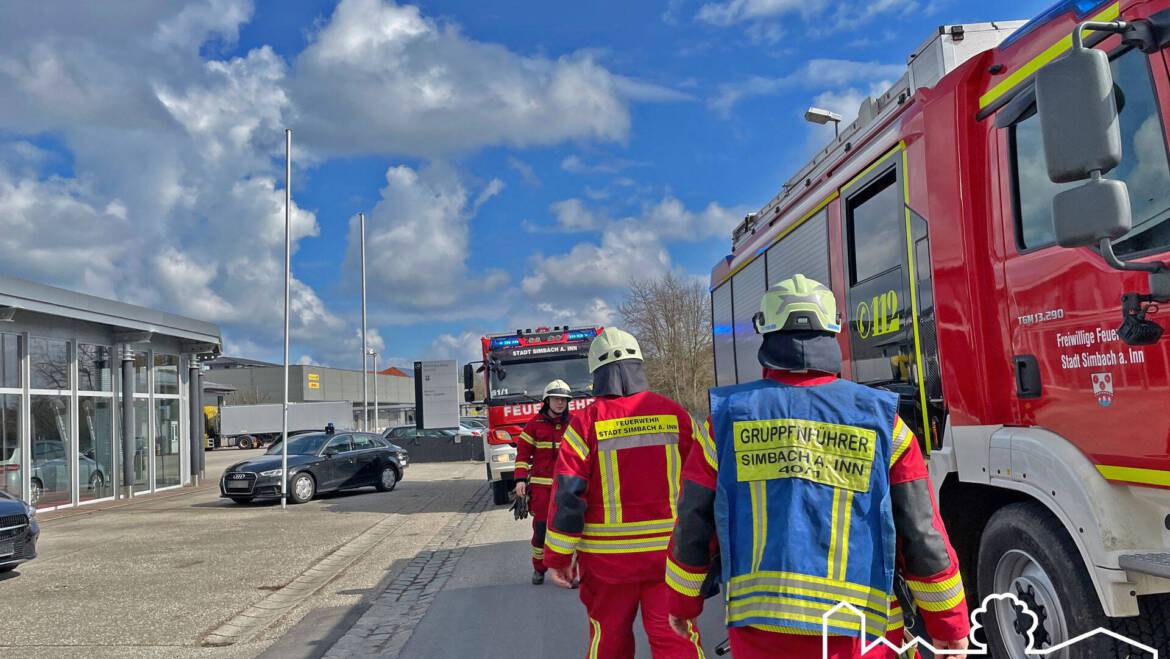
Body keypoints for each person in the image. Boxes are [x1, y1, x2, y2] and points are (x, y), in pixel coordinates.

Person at [664, 275, 970, 659]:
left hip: (761, 630)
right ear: (834, 331)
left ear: (766, 333)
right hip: (859, 634)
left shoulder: (724, 422)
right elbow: (920, 530)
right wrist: (948, 624)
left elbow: (694, 522)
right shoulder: (882, 421)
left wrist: (682, 602)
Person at [544, 327, 706, 658]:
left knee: (609, 638)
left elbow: (568, 495)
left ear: (597, 373)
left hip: (606, 563)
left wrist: (558, 557)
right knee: (676, 637)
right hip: (670, 557)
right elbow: (704, 484)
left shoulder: (585, 423)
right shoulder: (676, 414)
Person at [514, 379, 574, 585]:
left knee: (567, 531)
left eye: (564, 400)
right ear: (547, 401)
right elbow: (523, 454)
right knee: (540, 531)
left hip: (568, 487)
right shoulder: (534, 425)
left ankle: (566, 570)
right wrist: (520, 479)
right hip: (541, 489)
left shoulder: (574, 423)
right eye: (556, 399)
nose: (560, 403)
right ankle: (539, 569)